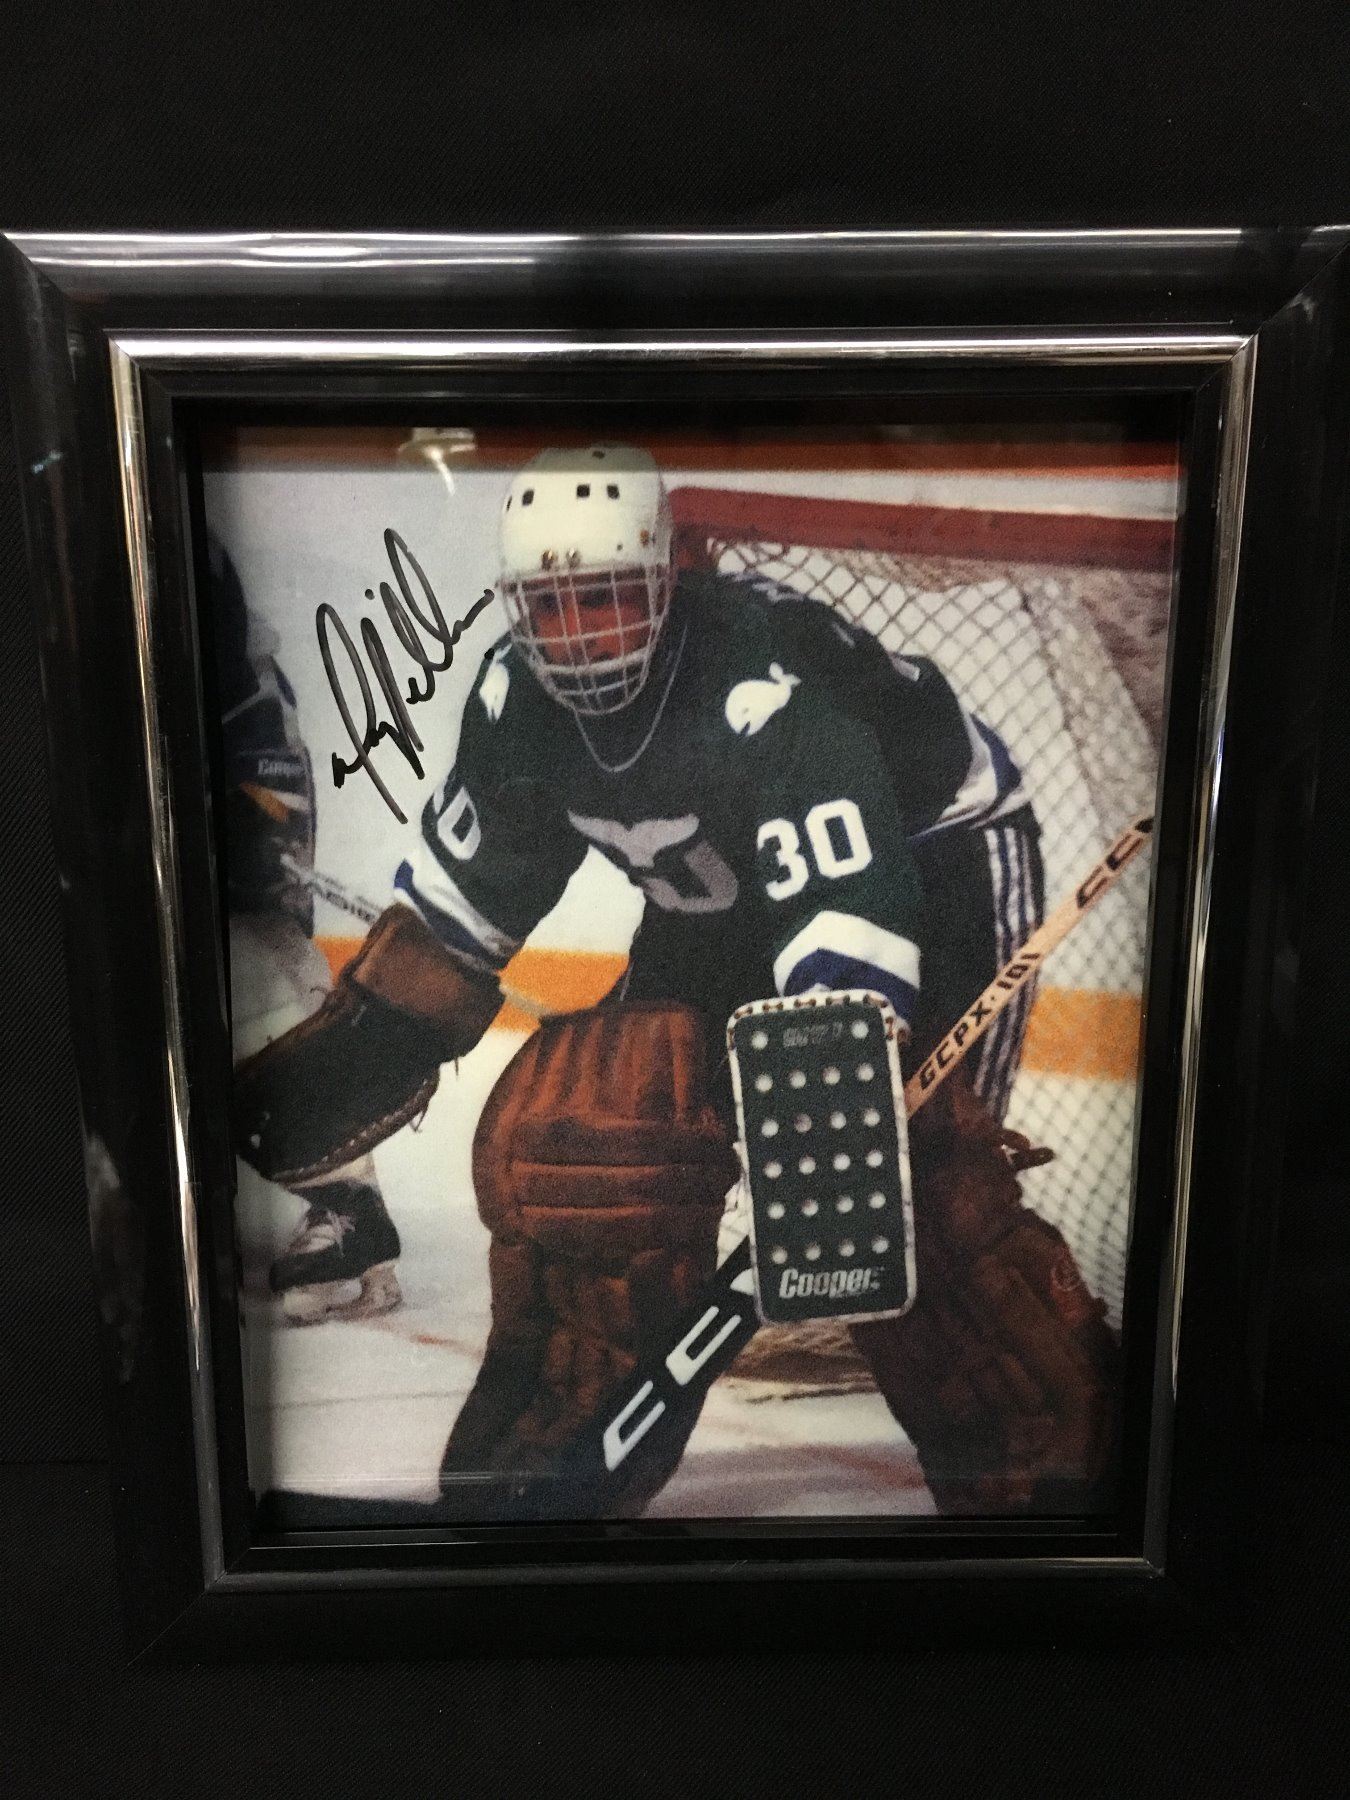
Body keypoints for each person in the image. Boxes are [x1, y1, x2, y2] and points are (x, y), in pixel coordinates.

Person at [234, 447, 1119, 1516]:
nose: (579, 635)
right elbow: (472, 898)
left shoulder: (761, 678)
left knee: (906, 1178)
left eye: (606, 598)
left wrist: (827, 1096)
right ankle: (554, 1435)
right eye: (551, 606)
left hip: (935, 860)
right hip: (730, 896)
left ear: (662, 581)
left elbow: (849, 902)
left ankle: (1059, 1466)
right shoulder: (515, 701)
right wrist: (384, 1026)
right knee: (604, 1138)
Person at [212, 534, 401, 1325]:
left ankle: (348, 1204)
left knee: (252, 959)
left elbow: (234, 677)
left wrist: (252, 820)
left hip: (228, 733)